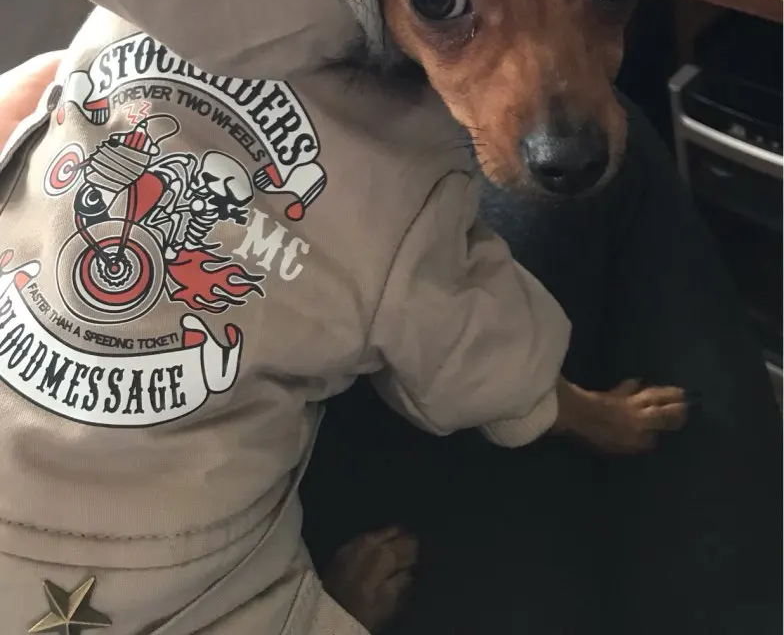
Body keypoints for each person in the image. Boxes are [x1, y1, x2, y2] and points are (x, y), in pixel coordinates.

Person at [3, 56, 780, 635]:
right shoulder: (391, 196)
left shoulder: (115, 30)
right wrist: (570, 411)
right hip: (200, 586)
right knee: (612, 147)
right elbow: (468, 357)